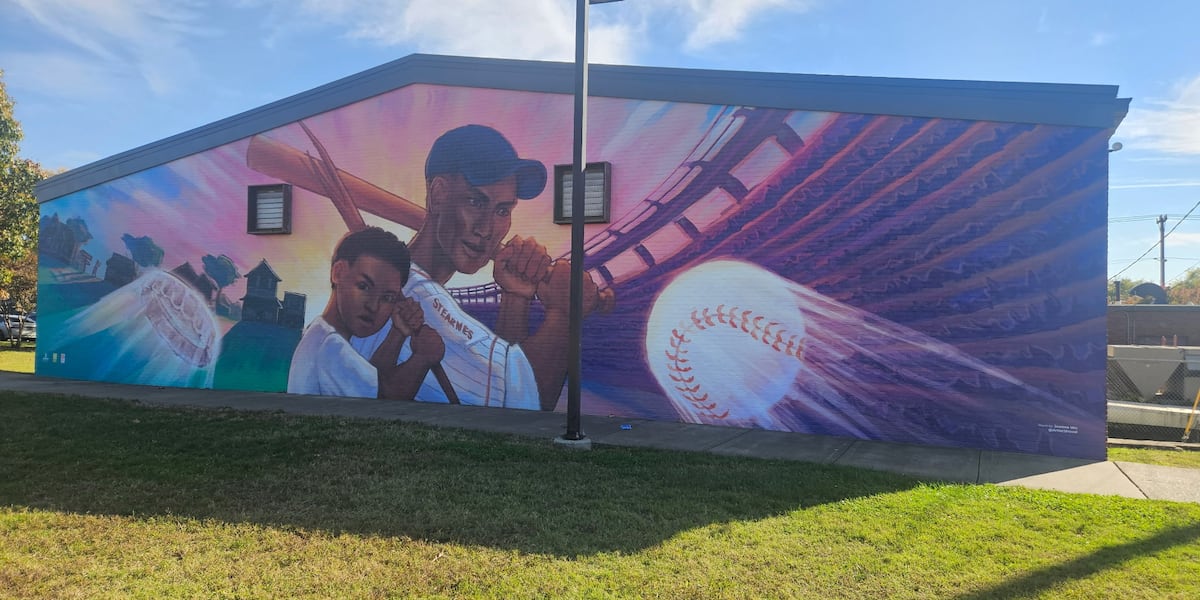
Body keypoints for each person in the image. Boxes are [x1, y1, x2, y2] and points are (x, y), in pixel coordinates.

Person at [352, 124, 611, 411]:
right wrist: (563, 312)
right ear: (438, 194)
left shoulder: (415, 287)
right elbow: (523, 404)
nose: (487, 229)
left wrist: (516, 296)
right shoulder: (414, 296)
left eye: (502, 210)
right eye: (475, 202)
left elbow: (499, 370)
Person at [288, 226, 445, 399]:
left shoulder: (320, 334)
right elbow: (383, 398)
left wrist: (398, 332)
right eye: (364, 286)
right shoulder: (329, 345)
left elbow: (375, 379)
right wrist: (423, 357)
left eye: (387, 298)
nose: (373, 306)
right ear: (338, 272)